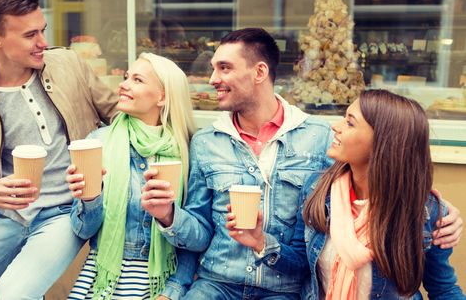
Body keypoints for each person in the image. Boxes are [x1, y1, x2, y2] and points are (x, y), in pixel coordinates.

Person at [141, 28, 463, 299]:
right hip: (218, 282)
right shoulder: (208, 142)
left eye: (224, 68)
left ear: (259, 73)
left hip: (283, 288)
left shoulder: (319, 137)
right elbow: (199, 232)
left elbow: (389, 173)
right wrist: (169, 220)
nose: (212, 79)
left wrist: (435, 207)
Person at [0, 0, 119, 299]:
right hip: (3, 216)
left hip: (65, 213)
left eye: (42, 30)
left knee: (14, 294)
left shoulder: (70, 66)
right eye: (30, 35)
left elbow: (117, 115)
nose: (43, 42)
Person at [227, 89, 465, 299]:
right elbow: (302, 266)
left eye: (350, 123)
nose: (335, 126)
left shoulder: (426, 212)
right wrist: (260, 241)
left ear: (383, 142)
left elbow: (442, 289)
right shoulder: (318, 190)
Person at [67, 53, 197, 300]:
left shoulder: (188, 151)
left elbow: (195, 240)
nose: (123, 84)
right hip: (103, 278)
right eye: (126, 77)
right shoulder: (98, 142)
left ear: (163, 96)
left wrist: (172, 292)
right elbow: (82, 230)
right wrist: (90, 198)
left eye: (137, 80)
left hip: (162, 281)